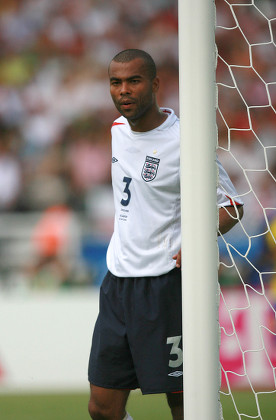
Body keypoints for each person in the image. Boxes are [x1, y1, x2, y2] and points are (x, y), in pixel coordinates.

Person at [87, 49, 244, 420]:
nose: (124, 90)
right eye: (116, 82)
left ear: (155, 84)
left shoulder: (185, 139)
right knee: (102, 408)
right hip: (118, 285)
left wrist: (197, 242)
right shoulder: (116, 130)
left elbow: (232, 206)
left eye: (134, 81)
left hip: (167, 286)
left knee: (186, 405)